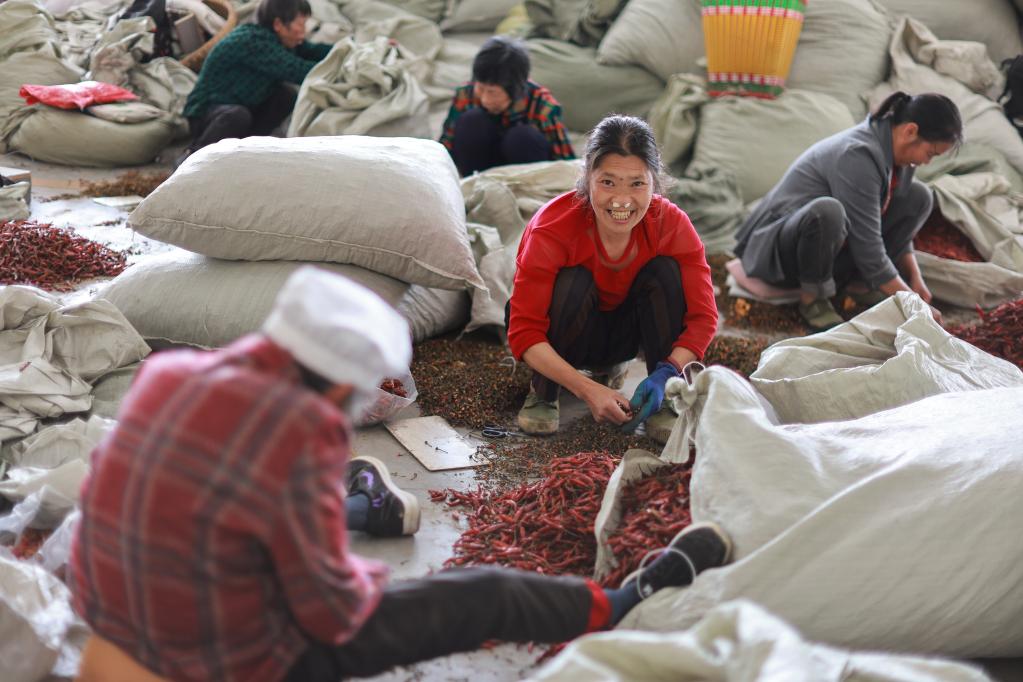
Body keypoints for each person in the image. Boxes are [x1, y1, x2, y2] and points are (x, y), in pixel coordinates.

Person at [69, 267, 733, 681]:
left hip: (108, 610)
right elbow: (332, 615)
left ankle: (360, 507)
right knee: (481, 597)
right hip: (224, 662)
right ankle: (618, 603)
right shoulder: (301, 437)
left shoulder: (169, 374)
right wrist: (363, 575)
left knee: (243, 510)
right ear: (339, 390)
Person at [506, 115, 719, 443]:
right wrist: (586, 390)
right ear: (587, 177)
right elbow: (523, 332)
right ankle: (544, 392)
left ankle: (660, 399)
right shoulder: (553, 227)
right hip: (566, 339)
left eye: (637, 183)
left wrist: (668, 372)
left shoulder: (671, 224)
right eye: (608, 182)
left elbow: (704, 318)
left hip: (626, 341)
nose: (622, 200)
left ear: (654, 181)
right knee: (573, 280)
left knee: (666, 272)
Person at [733, 91, 963, 331]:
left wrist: (914, 278)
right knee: (828, 211)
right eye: (930, 154)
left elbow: (879, 220)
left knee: (920, 196)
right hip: (783, 249)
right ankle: (813, 297)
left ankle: (858, 285)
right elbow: (869, 247)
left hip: (831, 246)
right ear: (910, 131)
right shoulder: (859, 155)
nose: (927, 162)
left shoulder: (900, 157)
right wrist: (914, 304)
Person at [177, 0, 331, 164]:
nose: (303, 33)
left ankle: (246, 151)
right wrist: (338, 69)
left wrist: (349, 51)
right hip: (208, 114)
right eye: (300, 25)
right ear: (279, 24)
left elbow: (313, 51)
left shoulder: (283, 39)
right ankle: (193, 156)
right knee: (237, 116)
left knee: (285, 95)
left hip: (243, 108)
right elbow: (299, 71)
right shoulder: (253, 41)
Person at [439, 36, 575, 177]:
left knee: (521, 137)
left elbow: (565, 162)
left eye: (493, 92)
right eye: (480, 88)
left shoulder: (543, 106)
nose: (485, 99)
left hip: (523, 176)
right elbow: (445, 146)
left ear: (514, 90)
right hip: (478, 172)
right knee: (472, 121)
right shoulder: (465, 94)